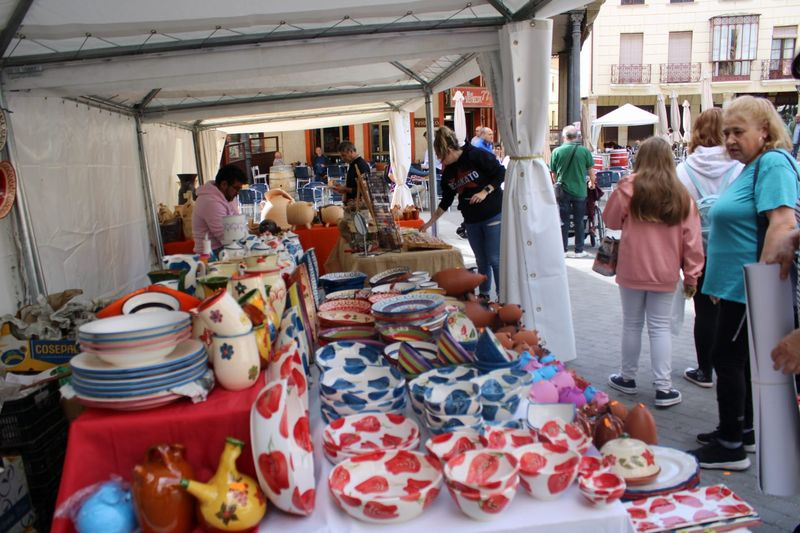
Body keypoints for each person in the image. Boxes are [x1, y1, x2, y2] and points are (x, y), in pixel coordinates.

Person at [689, 95, 800, 471]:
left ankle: (730, 444)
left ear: (764, 131)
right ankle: (744, 430)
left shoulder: (772, 163)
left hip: (751, 285)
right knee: (739, 360)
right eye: (726, 134)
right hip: (736, 285)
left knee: (726, 358)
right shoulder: (751, 166)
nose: (730, 141)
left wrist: (764, 291)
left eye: (738, 132)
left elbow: (783, 223)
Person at [603, 137, 704, 409]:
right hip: (666, 272)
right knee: (660, 329)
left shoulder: (628, 186)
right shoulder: (681, 195)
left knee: (632, 324)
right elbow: (692, 241)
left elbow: (609, 220)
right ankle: (664, 388)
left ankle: (627, 377)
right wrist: (692, 277)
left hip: (631, 269)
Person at [676, 108, 744, 388]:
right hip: (734, 247)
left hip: (698, 249)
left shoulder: (683, 169)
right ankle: (731, 366)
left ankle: (705, 370)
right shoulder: (740, 166)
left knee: (704, 311)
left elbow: (679, 212)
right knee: (733, 312)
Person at [420, 126, 505, 299]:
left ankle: (503, 297)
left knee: (495, 259)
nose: (440, 161)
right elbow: (446, 200)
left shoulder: (475, 155)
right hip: (471, 219)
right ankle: (484, 295)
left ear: (450, 150)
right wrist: (429, 223)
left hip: (492, 213)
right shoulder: (448, 173)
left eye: (441, 157)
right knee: (481, 260)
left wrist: (485, 191)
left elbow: (501, 172)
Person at [550, 125, 596, 257]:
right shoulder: (584, 151)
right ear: (576, 137)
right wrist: (592, 183)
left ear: (563, 137)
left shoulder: (556, 152)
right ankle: (579, 250)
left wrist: (557, 183)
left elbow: (553, 175)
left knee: (563, 221)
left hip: (563, 190)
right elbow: (591, 173)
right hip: (580, 191)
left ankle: (563, 250)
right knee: (579, 220)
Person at [192, 164, 248, 254]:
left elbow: (239, 224)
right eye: (236, 188)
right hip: (211, 253)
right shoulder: (210, 201)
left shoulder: (228, 196)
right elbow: (225, 236)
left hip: (226, 247)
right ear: (224, 184)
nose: (237, 193)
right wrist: (247, 241)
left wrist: (248, 236)